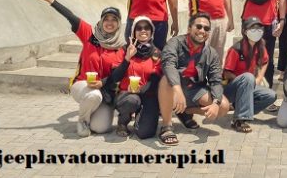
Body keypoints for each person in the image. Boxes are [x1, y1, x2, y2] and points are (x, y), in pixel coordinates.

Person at [30, 0, 124, 137]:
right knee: (93, 96)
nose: (109, 23)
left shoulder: (120, 48)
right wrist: (51, 1)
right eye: (106, 19)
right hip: (82, 84)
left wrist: (103, 83)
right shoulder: (89, 34)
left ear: (119, 24)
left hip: (104, 90)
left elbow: (117, 76)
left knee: (100, 128)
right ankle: (82, 120)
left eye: (114, 20)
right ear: (101, 20)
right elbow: (71, 17)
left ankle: (92, 113)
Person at [157, 13, 231, 146]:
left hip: (194, 89)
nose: (202, 31)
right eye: (199, 26)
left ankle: (185, 110)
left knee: (223, 107)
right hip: (173, 88)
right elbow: (168, 65)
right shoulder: (175, 43)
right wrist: (177, 89)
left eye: (206, 28)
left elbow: (215, 81)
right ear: (189, 28)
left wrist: (215, 102)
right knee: (166, 80)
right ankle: (167, 126)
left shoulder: (211, 53)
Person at [108, 16, 162, 139]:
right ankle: (123, 122)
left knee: (145, 133)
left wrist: (141, 90)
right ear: (133, 32)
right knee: (132, 100)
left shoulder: (157, 53)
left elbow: (156, 79)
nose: (143, 30)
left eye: (147, 27)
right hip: (127, 94)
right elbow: (115, 77)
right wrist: (127, 58)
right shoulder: (124, 50)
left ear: (151, 31)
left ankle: (140, 117)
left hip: (148, 94)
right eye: (139, 28)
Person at [222, 17, 278, 133]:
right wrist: (246, 80)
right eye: (252, 28)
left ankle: (241, 109)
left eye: (258, 28)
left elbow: (265, 61)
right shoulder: (236, 49)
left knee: (271, 95)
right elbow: (226, 73)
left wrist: (259, 77)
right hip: (230, 89)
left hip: (249, 84)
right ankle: (239, 119)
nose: (256, 31)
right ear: (245, 31)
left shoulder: (260, 46)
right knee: (247, 77)